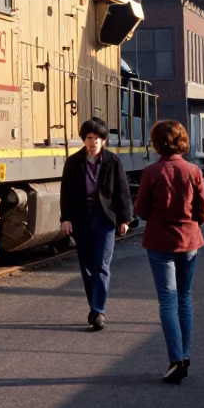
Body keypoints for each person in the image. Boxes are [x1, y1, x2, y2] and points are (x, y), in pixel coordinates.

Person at [134, 119, 204, 384]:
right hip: (189, 241)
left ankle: (176, 360)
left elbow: (141, 210)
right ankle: (185, 355)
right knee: (185, 298)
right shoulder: (193, 171)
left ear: (157, 142)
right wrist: (190, 224)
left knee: (167, 300)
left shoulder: (151, 172)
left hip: (159, 241)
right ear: (181, 140)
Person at [60, 117, 133, 330]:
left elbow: (123, 191)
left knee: (102, 265)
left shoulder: (113, 161)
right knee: (87, 266)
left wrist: (124, 218)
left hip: (105, 218)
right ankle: (94, 306)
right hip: (82, 218)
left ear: (103, 140)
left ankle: (99, 311)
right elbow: (67, 192)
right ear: (84, 139)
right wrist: (66, 218)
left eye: (98, 138)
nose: (94, 142)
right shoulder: (73, 162)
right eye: (90, 138)